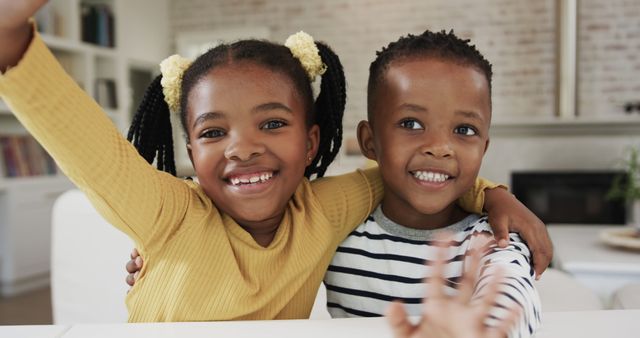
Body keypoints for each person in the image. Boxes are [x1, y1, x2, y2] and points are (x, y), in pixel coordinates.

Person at [0, 1, 547, 323]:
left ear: (311, 144)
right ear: (191, 153)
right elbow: (88, 148)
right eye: (214, 132)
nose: (243, 148)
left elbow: (406, 169)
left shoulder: (325, 210)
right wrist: (10, 35)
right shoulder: (167, 214)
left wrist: (492, 193)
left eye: (271, 123)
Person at [323, 30, 540, 338]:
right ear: (370, 142)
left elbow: (511, 296)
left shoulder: (493, 240)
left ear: (483, 148)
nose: (439, 147)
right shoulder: (336, 236)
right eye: (411, 124)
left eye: (464, 129)